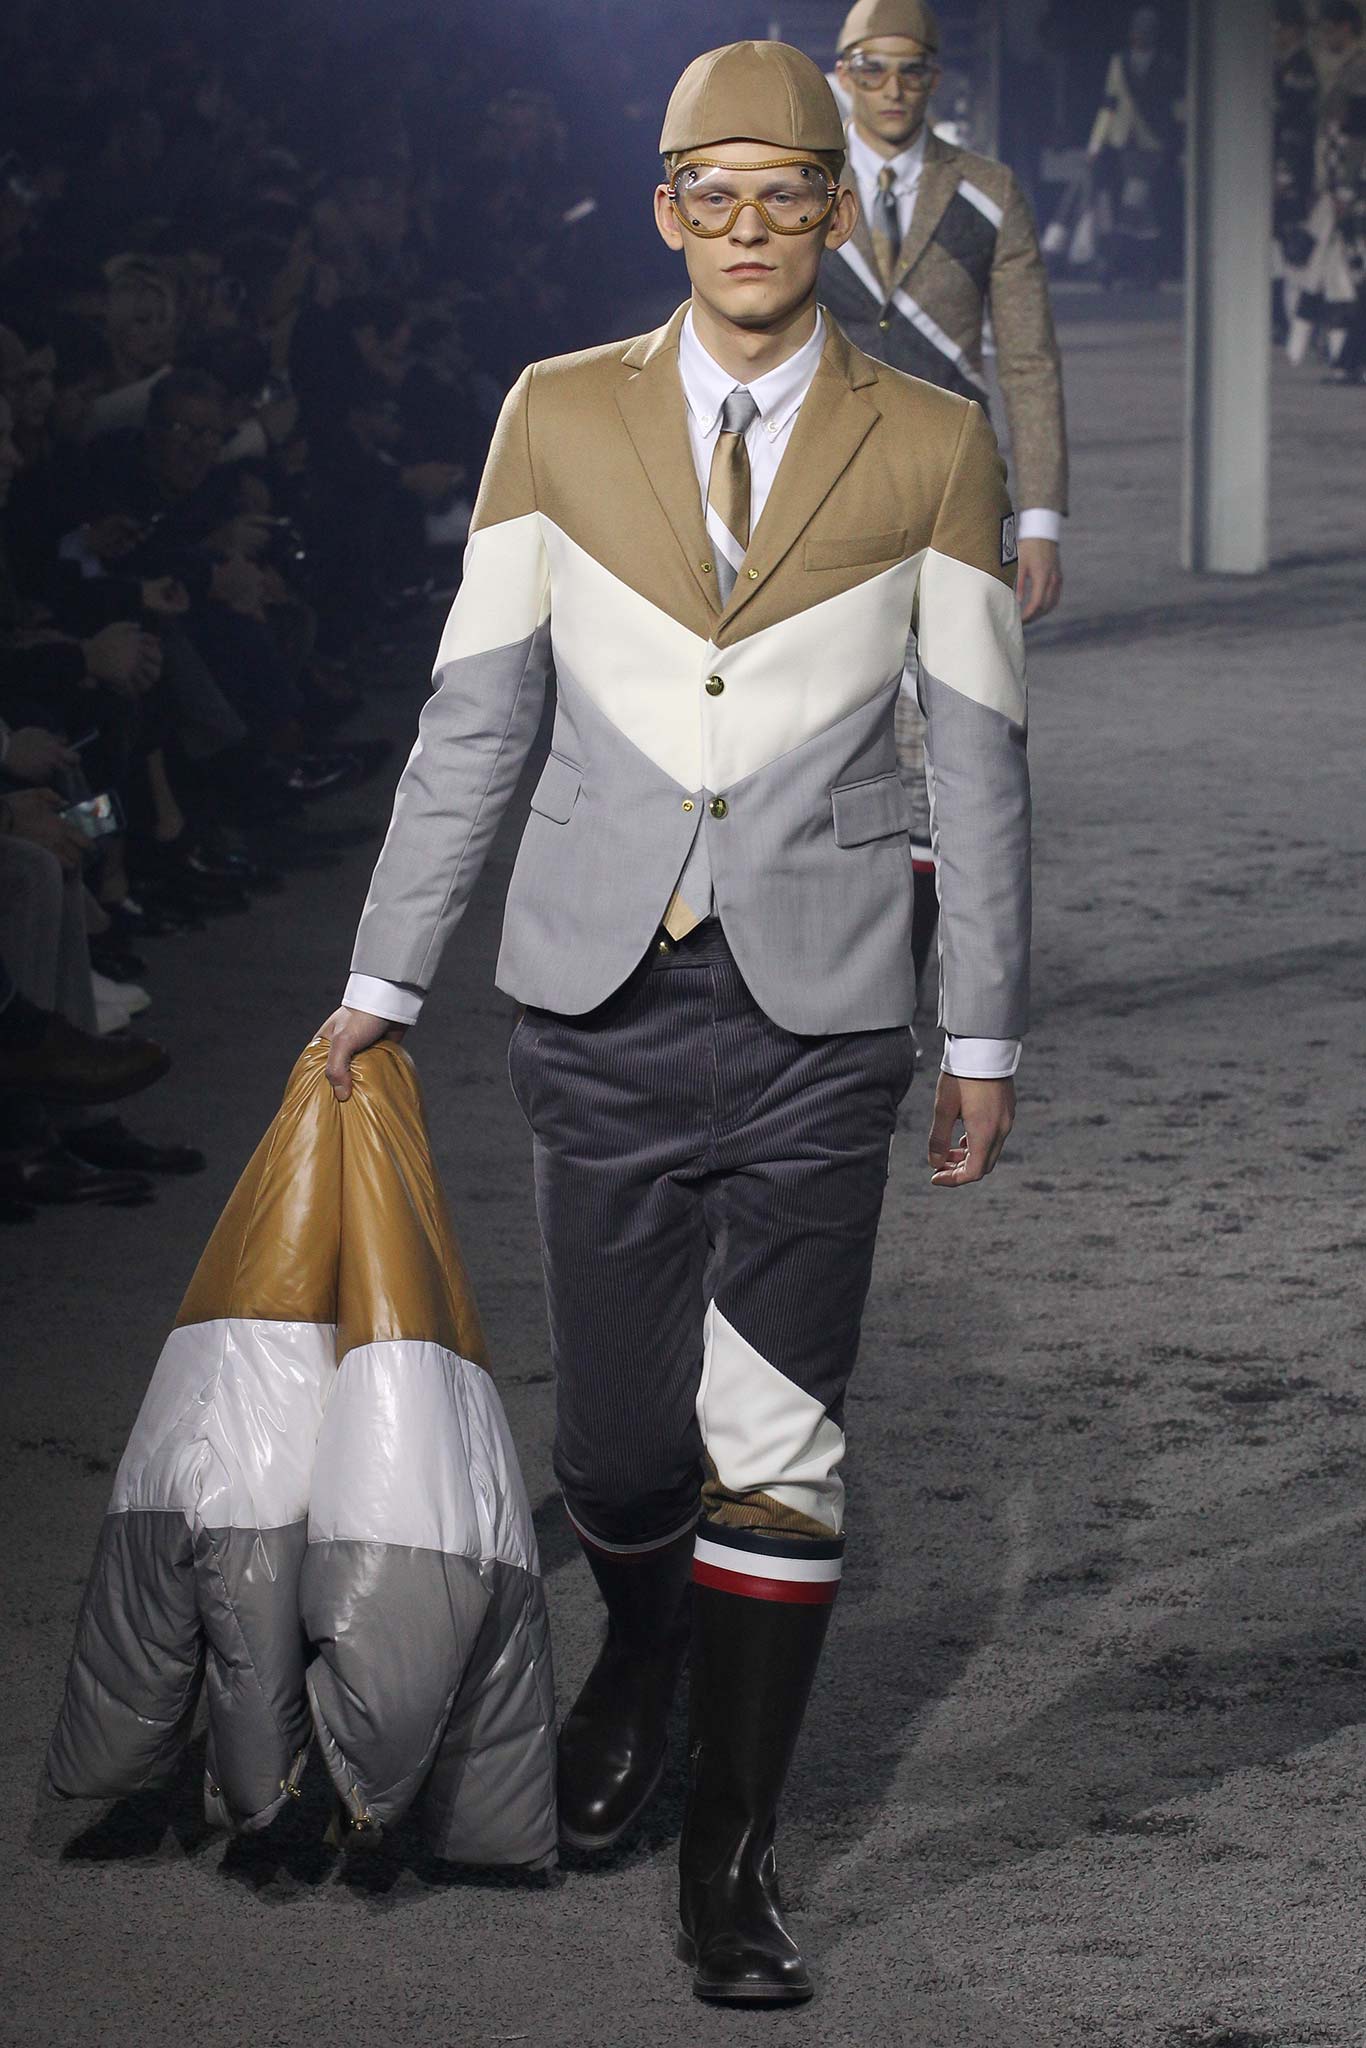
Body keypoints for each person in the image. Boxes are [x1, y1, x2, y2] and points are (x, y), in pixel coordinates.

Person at [320, 39, 1029, 2007]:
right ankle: (638, 1638)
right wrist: (380, 977)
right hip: (596, 991)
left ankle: (730, 1854)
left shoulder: (931, 439)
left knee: (775, 1433)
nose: (746, 226)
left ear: (829, 213)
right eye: (710, 194)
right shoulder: (553, 413)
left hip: (823, 1006)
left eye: (783, 193)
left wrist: (981, 1030)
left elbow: (977, 754)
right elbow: (475, 715)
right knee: (623, 1445)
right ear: (665, 213)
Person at [821, 0, 1063, 990]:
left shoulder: (987, 192)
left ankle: (898, 972)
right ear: (840, 72)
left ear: (935, 77)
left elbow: (1028, 359)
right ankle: (825, 956)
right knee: (823, 719)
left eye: (910, 70)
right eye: (871, 70)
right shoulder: (804, 185)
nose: (891, 90)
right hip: (822, 487)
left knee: (948, 730)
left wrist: (1039, 518)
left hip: (953, 491)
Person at [1086, 4, 1185, 289]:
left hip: (1154, 141)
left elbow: (1178, 107)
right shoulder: (1119, 62)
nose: (1140, 35)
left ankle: (1114, 264)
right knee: (1141, 204)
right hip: (1123, 141)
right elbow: (1109, 103)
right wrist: (1096, 142)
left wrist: (1181, 142)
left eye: (1146, 30)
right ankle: (1146, 268)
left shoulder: (1167, 65)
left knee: (1134, 199)